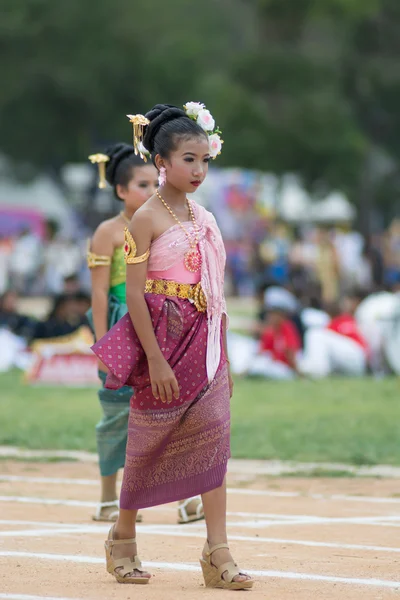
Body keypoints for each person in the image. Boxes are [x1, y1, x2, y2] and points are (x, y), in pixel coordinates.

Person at [92, 103, 253, 589]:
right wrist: (156, 360)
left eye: (205, 160)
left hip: (205, 341)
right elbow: (136, 294)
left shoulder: (206, 216)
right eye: (189, 159)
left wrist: (224, 357)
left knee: (214, 440)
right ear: (161, 161)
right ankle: (123, 538)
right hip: (163, 337)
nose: (199, 170)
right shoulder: (144, 218)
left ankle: (217, 553)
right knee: (148, 439)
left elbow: (216, 290)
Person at [87, 143, 205, 526]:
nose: (150, 190)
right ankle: (109, 497)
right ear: (120, 190)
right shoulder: (108, 232)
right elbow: (100, 294)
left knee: (173, 409)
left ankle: (186, 498)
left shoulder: (167, 221)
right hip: (124, 327)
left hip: (161, 325)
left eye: (152, 182)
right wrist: (103, 346)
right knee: (117, 414)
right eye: (141, 184)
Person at [299, 290, 369, 378]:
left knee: (315, 333)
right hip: (355, 363)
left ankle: (316, 372)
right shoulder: (350, 320)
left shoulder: (341, 321)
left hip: (356, 354)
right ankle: (312, 370)